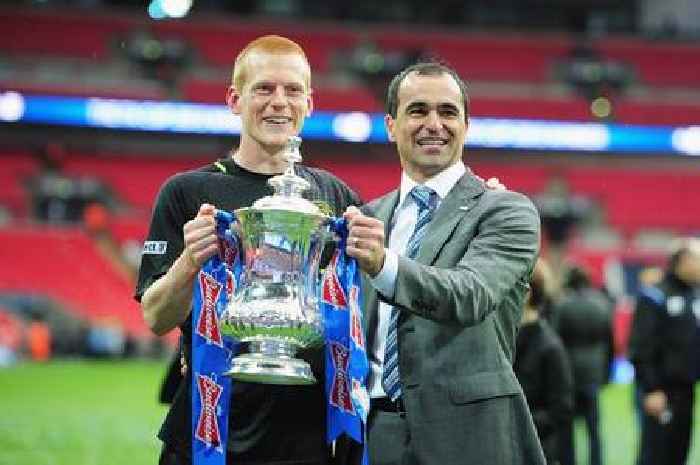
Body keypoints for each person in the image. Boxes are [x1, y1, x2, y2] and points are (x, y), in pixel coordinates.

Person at [134, 35, 362, 465]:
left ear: (309, 103)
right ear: (235, 100)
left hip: (307, 432)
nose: (279, 102)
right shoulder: (186, 192)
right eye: (264, 89)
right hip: (207, 426)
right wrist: (189, 262)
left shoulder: (337, 196)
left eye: (292, 90)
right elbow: (155, 317)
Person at [342, 61, 545, 465]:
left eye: (448, 112)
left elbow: (471, 294)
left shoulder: (507, 211)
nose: (434, 123)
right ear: (390, 125)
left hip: (470, 437)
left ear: (466, 126)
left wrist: (384, 265)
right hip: (374, 433)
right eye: (418, 110)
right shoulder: (368, 217)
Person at [628, 238, 700, 465]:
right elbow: (641, 345)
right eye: (697, 259)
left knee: (679, 454)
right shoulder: (655, 296)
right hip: (661, 392)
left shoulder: (695, 296)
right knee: (656, 456)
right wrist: (651, 388)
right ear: (681, 261)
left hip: (686, 391)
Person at [551, 265, 614, 465]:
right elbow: (609, 342)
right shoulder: (602, 304)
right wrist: (607, 373)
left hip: (569, 372)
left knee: (567, 429)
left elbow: (554, 340)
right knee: (594, 428)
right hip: (594, 373)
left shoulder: (563, 305)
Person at [514, 259, 574, 465]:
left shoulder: (549, 346)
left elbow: (561, 409)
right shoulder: (506, 338)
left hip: (537, 450)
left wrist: (516, 421)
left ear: (527, 293)